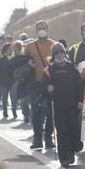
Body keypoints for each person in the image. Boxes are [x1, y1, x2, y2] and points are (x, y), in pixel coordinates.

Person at [46, 43, 83, 168]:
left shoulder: (72, 67)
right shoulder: (49, 70)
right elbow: (43, 86)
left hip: (72, 105)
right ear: (53, 55)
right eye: (56, 53)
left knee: (74, 129)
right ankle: (64, 157)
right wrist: (48, 88)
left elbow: (79, 85)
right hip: (57, 106)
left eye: (61, 52)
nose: (60, 55)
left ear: (65, 53)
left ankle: (73, 150)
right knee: (62, 132)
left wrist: (80, 100)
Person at [25, 20, 57, 149]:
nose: (42, 30)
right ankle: (37, 138)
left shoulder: (54, 45)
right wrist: (28, 64)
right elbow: (24, 62)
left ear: (48, 29)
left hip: (51, 82)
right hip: (36, 83)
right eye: (39, 28)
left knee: (51, 111)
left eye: (43, 28)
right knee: (36, 111)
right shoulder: (30, 46)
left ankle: (49, 138)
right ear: (36, 30)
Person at [10, 41, 32, 123]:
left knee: (23, 99)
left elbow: (10, 71)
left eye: (14, 47)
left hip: (20, 81)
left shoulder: (14, 59)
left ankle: (26, 115)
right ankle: (29, 115)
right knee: (27, 99)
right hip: (27, 80)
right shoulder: (27, 57)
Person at [0, 43, 16, 119]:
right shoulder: (0, 60)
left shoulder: (15, 58)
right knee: (4, 98)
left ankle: (14, 111)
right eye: (10, 48)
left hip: (13, 81)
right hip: (3, 82)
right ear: (5, 50)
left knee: (13, 97)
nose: (11, 50)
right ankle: (5, 112)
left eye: (12, 48)